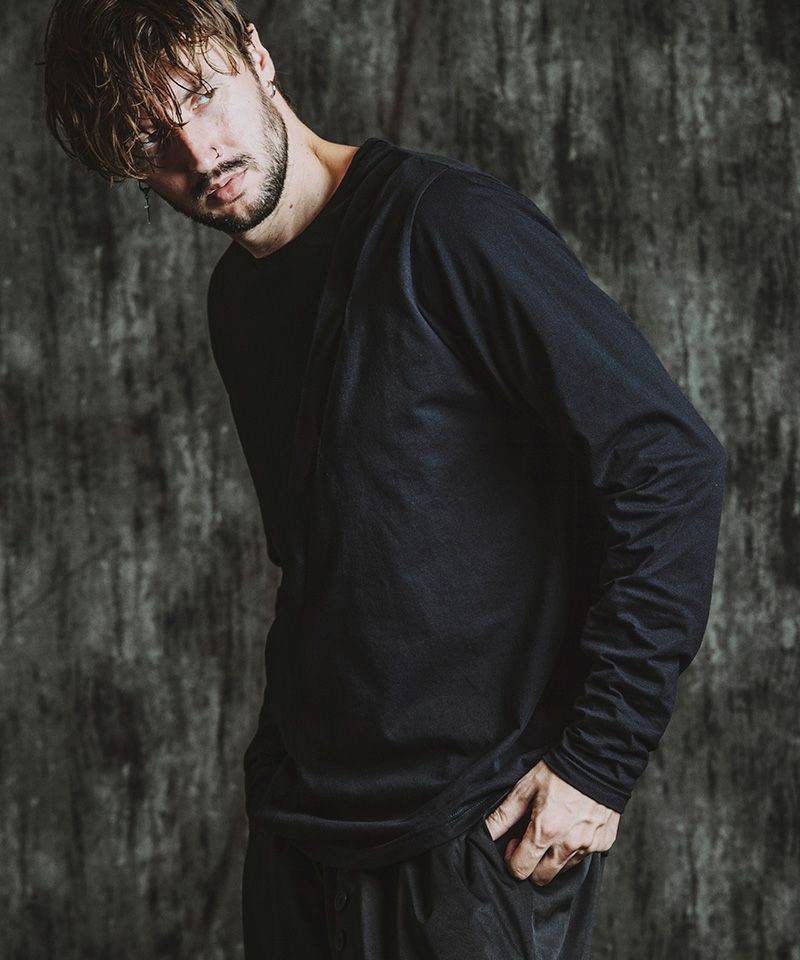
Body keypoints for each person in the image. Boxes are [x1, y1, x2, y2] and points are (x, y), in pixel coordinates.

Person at [42, 2, 727, 957]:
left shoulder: (444, 224)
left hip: (468, 841)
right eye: (152, 140)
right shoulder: (237, 299)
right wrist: (277, 769)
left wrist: (598, 765)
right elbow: (327, 558)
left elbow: (670, 464)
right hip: (302, 836)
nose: (199, 152)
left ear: (257, 57)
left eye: (202, 95)